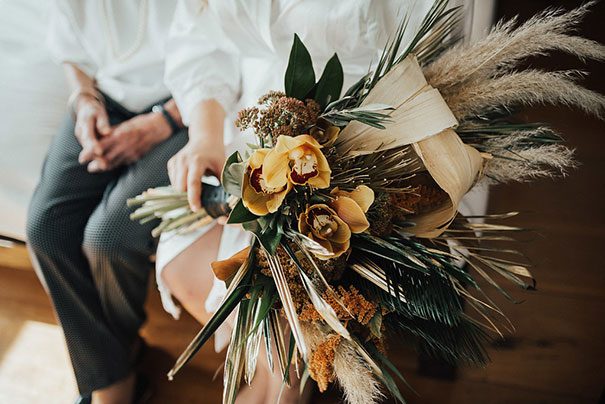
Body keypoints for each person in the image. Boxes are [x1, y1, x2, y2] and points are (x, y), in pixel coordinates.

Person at [157, 1, 443, 403]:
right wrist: (204, 136)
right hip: (253, 118)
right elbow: (198, 37)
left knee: (288, 279)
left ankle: (283, 383)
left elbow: (423, 60)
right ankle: (272, 373)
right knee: (181, 264)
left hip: (360, 138)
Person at [26, 1, 184, 403]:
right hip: (105, 98)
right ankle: (115, 370)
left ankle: (113, 385)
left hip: (191, 105)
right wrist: (84, 100)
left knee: (110, 239)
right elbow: (70, 44)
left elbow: (233, 55)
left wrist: (164, 121)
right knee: (46, 230)